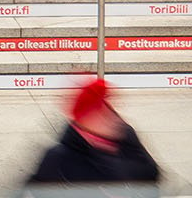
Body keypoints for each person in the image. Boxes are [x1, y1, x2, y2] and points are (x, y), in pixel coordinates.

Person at [26, 78, 161, 191]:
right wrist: (104, 152)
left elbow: (151, 172)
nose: (109, 115)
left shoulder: (126, 136)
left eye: (108, 107)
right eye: (99, 111)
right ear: (85, 120)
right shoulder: (59, 157)